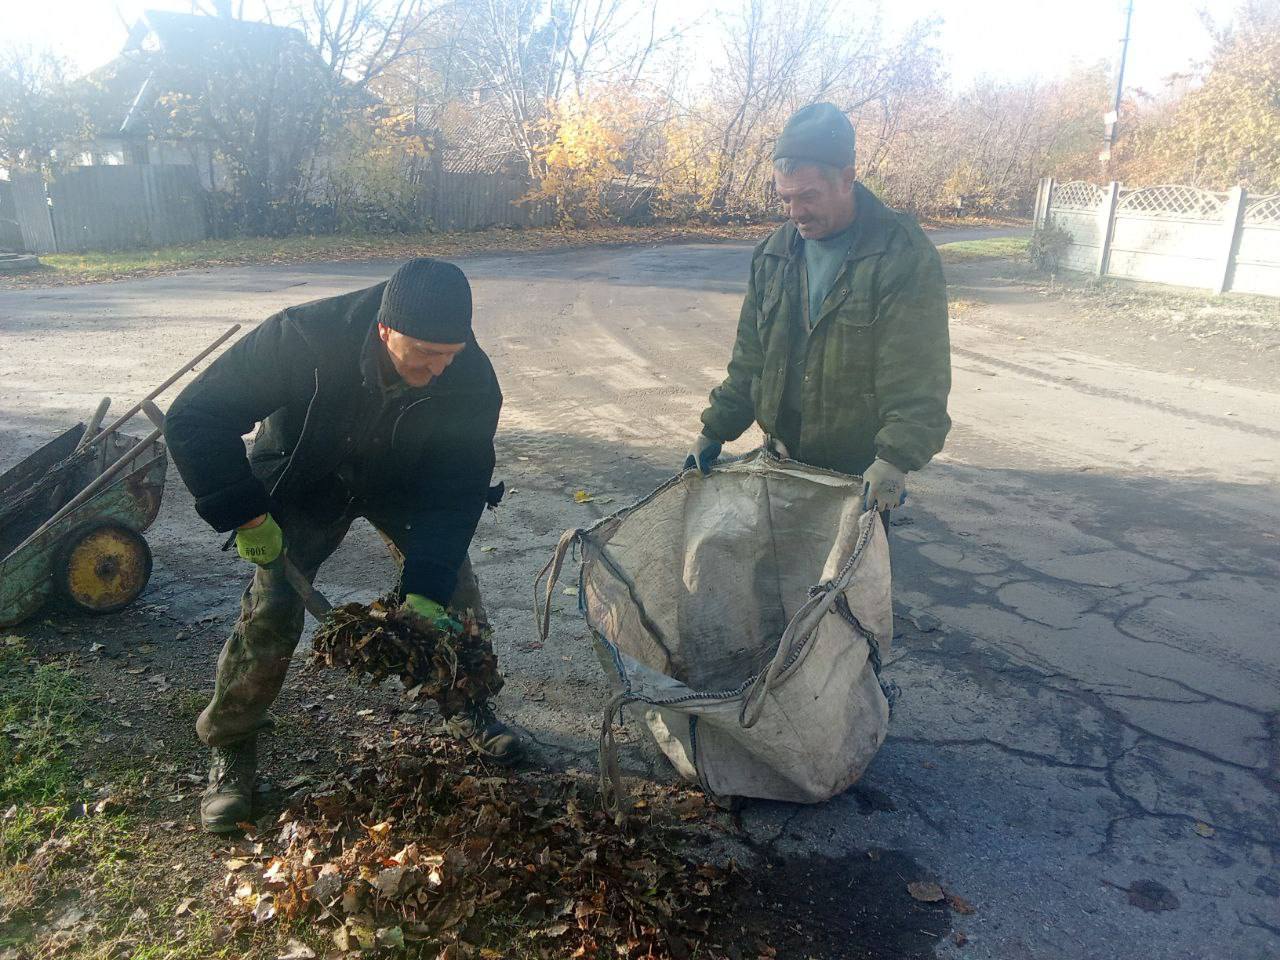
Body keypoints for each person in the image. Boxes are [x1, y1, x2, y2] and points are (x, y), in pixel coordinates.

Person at [164, 257, 522, 834]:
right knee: (273, 607)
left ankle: (467, 705)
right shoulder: (304, 337)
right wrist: (245, 513)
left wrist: (426, 585)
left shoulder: (470, 380)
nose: (436, 370)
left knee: (453, 592)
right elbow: (195, 417)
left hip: (403, 480)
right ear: (385, 329)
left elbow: (456, 490)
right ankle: (231, 742)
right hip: (309, 476)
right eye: (423, 354)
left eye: (449, 355)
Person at [684, 103, 951, 514]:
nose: (795, 213)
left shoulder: (901, 254)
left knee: (846, 562)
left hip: (857, 478)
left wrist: (895, 459)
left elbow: (918, 374)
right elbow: (750, 360)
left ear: (846, 178)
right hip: (780, 462)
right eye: (785, 198)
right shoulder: (773, 255)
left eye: (808, 196)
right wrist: (714, 430)